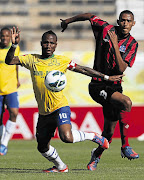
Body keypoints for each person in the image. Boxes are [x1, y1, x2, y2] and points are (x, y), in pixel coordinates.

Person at [5, 27, 123, 173]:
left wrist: (106, 77)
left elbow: (83, 69)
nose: (49, 46)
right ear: (41, 44)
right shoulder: (31, 59)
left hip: (60, 106)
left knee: (67, 137)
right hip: (44, 112)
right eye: (46, 43)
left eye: (52, 43)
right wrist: (15, 45)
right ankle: (61, 166)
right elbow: (9, 60)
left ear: (56, 45)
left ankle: (93, 136)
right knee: (42, 147)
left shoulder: (61, 61)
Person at [60, 10, 139, 171]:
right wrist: (68, 20)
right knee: (126, 102)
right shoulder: (106, 29)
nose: (125, 23)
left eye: (128, 21)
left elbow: (121, 67)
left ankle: (95, 156)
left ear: (133, 24)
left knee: (108, 133)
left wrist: (115, 45)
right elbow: (90, 16)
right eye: (122, 20)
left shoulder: (132, 44)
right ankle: (126, 146)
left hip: (115, 86)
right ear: (118, 21)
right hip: (97, 84)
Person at [0, 27, 20, 155]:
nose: (5, 38)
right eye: (3, 36)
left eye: (7, 36)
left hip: (11, 87)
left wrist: (17, 79)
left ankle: (4, 143)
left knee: (14, 113)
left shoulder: (15, 48)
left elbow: (16, 64)